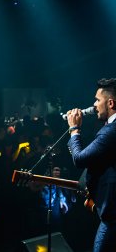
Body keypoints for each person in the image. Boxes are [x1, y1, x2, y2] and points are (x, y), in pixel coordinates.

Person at [66, 77, 116, 252]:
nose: (94, 105)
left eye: (97, 100)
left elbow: (80, 159)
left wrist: (74, 129)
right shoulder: (108, 128)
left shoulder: (111, 131)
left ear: (110, 103)